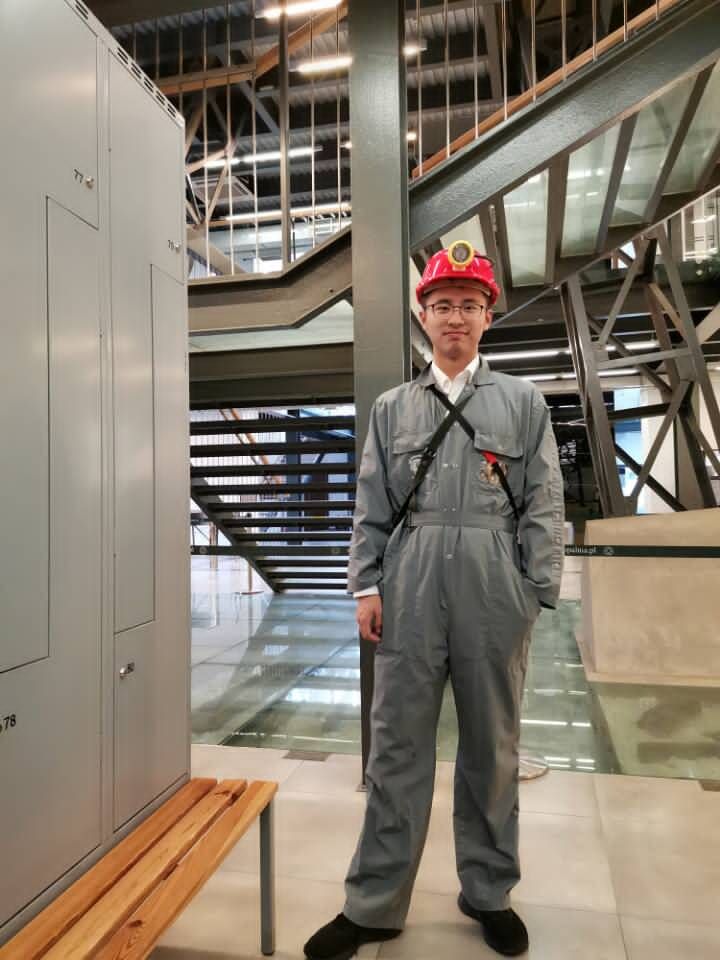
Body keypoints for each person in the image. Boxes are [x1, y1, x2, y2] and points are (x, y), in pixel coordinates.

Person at [304, 241, 565, 959]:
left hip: (493, 586)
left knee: (493, 750)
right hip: (411, 582)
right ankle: (373, 903)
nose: (455, 317)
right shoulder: (393, 408)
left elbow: (544, 501)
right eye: (443, 305)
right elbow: (371, 503)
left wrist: (534, 590)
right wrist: (366, 585)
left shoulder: (523, 402)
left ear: (487, 318)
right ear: (423, 316)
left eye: (469, 305)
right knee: (396, 748)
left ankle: (488, 892)